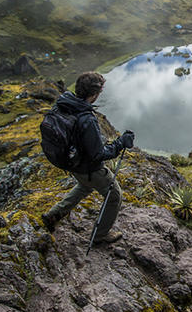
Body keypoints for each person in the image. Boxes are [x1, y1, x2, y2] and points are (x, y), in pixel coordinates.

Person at [41, 72, 134, 244]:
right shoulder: (87, 118)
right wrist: (120, 143)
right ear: (94, 94)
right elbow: (98, 154)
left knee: (85, 186)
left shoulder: (65, 104)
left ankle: (53, 215)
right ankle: (100, 235)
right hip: (88, 168)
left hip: (71, 163)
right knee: (114, 195)